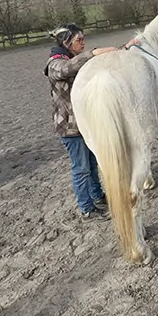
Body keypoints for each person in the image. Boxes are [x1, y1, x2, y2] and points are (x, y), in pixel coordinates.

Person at [43, 23, 125, 221]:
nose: (83, 42)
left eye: (84, 39)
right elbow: (64, 70)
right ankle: (86, 208)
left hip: (85, 124)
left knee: (92, 163)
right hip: (70, 127)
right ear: (66, 42)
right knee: (81, 168)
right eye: (79, 40)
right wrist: (93, 53)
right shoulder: (55, 62)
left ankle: (97, 196)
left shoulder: (73, 59)